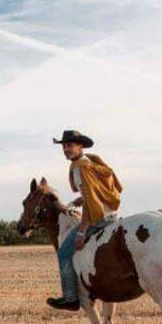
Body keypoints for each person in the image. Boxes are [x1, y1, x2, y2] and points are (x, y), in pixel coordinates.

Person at [46, 130, 122, 311]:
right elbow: (94, 192)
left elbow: (90, 202)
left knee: (64, 252)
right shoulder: (91, 161)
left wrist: (82, 230)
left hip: (100, 219)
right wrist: (81, 199)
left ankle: (70, 298)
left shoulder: (80, 168)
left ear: (80, 146)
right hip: (113, 214)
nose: (66, 149)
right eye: (64, 146)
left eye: (70, 146)